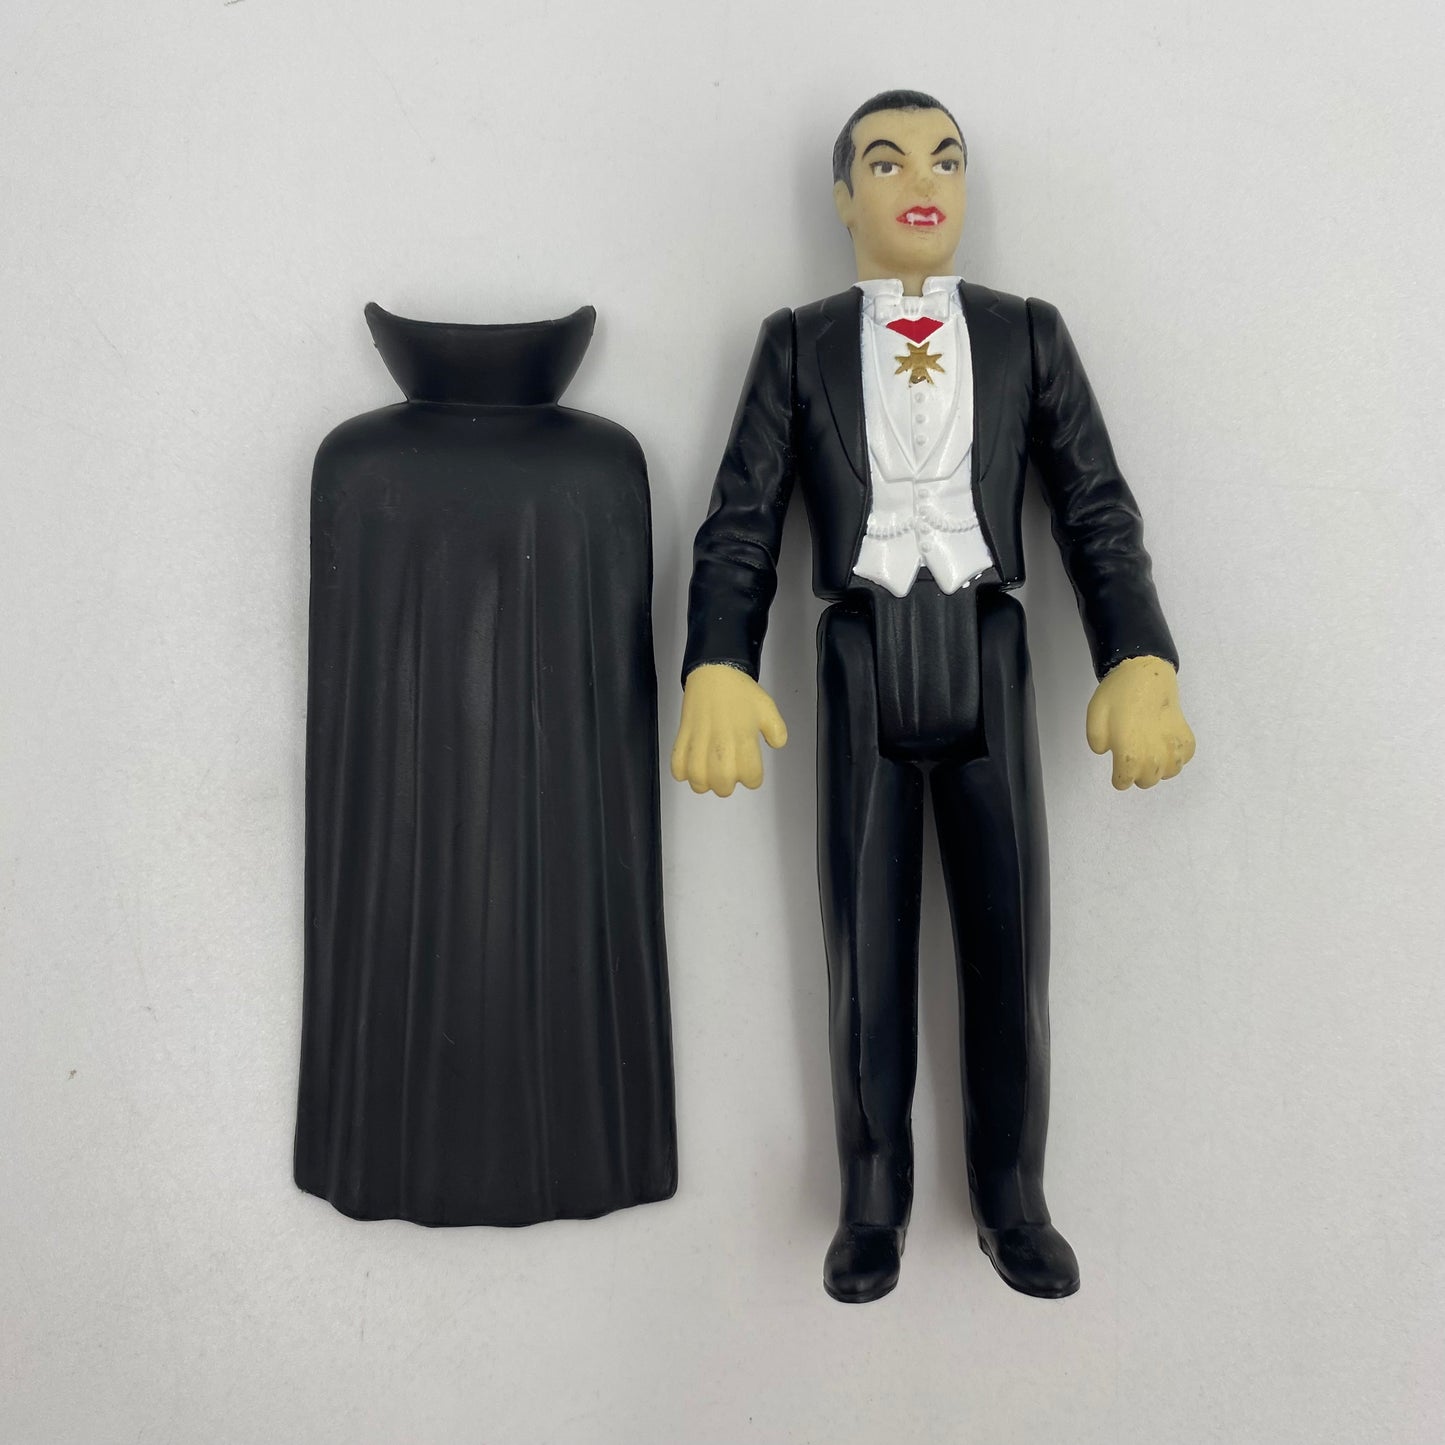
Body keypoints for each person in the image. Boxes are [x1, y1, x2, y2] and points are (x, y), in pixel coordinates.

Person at [672, 90, 1195, 1304]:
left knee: (1009, 942)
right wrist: (716, 661)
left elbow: (1094, 508)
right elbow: (740, 520)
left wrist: (1137, 655)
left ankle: (1012, 1191)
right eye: (886, 160)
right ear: (842, 196)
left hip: (985, 648)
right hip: (857, 656)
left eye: (944, 159)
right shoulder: (795, 343)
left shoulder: (1027, 334)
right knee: (863, 949)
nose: (921, 181)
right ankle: (870, 1197)